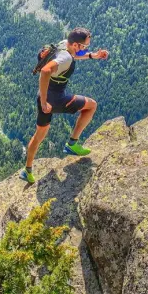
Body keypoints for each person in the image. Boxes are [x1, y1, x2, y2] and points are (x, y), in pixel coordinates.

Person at [20, 27, 109, 183]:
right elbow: (46, 71)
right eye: (84, 46)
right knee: (91, 105)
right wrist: (45, 102)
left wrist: (92, 55)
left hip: (43, 95)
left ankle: (27, 171)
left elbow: (76, 55)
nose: (85, 48)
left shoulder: (63, 45)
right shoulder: (65, 58)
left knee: (39, 134)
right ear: (75, 44)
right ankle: (72, 144)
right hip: (54, 99)